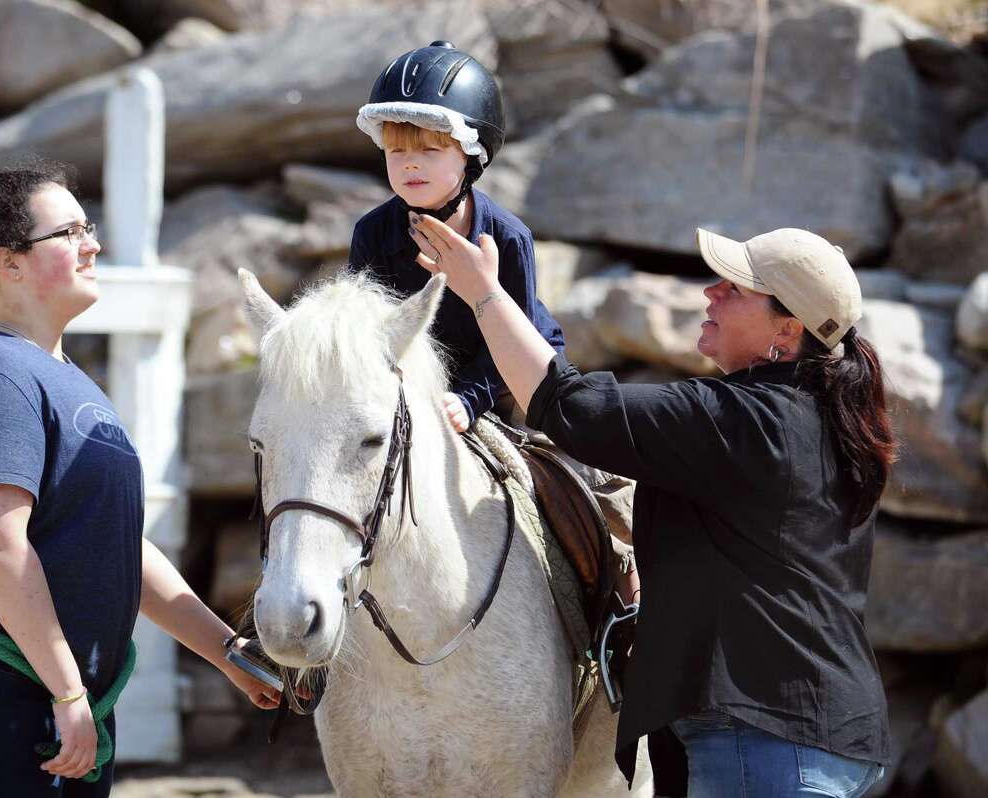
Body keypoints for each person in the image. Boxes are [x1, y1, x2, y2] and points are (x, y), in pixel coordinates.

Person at [409, 215, 893, 797]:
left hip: (765, 741)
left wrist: (484, 295)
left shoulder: (748, 422)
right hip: (820, 735)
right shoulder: (826, 422)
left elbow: (570, 406)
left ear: (787, 331)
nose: (711, 292)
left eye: (736, 289)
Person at [0, 154, 278, 797]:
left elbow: (115, 546)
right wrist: (68, 692)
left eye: (86, 227)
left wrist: (229, 653)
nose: (91, 244)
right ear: (9, 263)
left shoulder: (60, 376)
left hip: (49, 693)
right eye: (68, 233)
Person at [349, 40, 566, 433]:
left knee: (552, 435)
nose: (410, 163)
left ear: (470, 154)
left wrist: (469, 398)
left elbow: (516, 340)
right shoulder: (372, 233)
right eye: (396, 152)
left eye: (430, 150)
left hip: (510, 373)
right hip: (417, 377)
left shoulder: (508, 237)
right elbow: (367, 329)